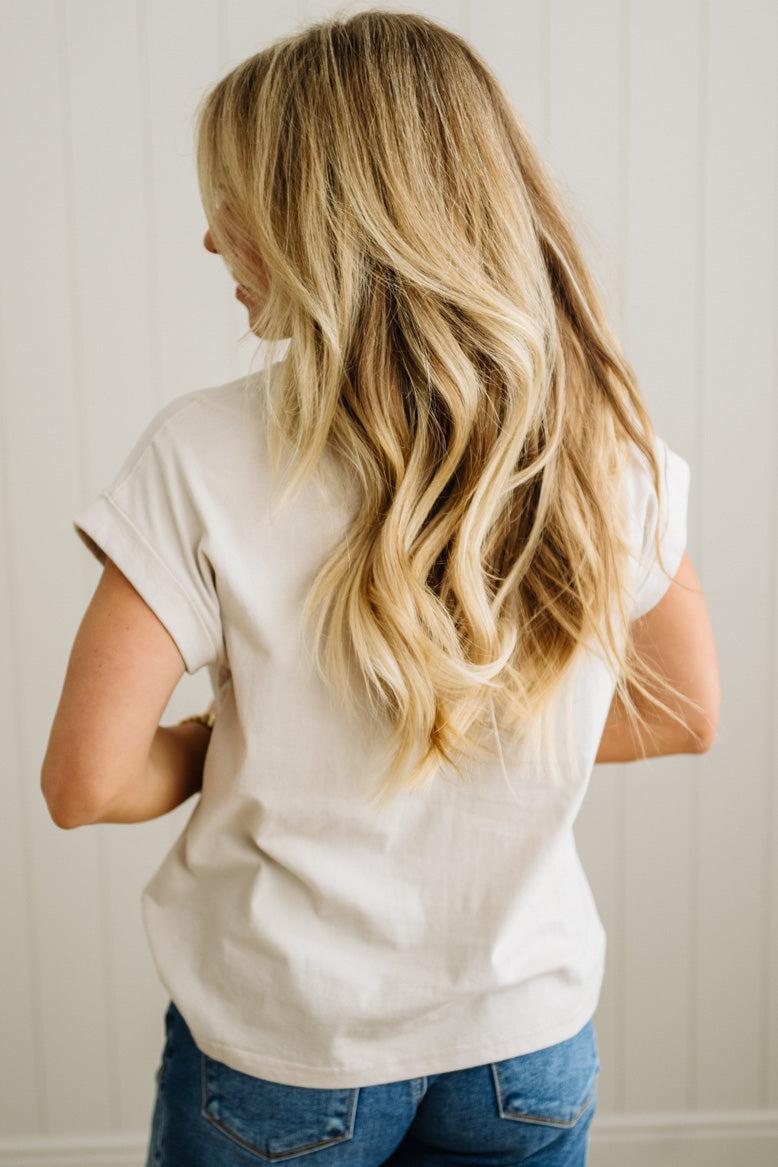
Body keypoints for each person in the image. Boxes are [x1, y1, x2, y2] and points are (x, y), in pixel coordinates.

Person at [42, 9, 720, 1165]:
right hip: (525, 1041)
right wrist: (469, 730)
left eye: (235, 200)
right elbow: (684, 714)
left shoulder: (203, 453)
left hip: (284, 1048)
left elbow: (87, 783)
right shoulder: (607, 444)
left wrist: (239, 738)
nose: (211, 243)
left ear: (322, 221)